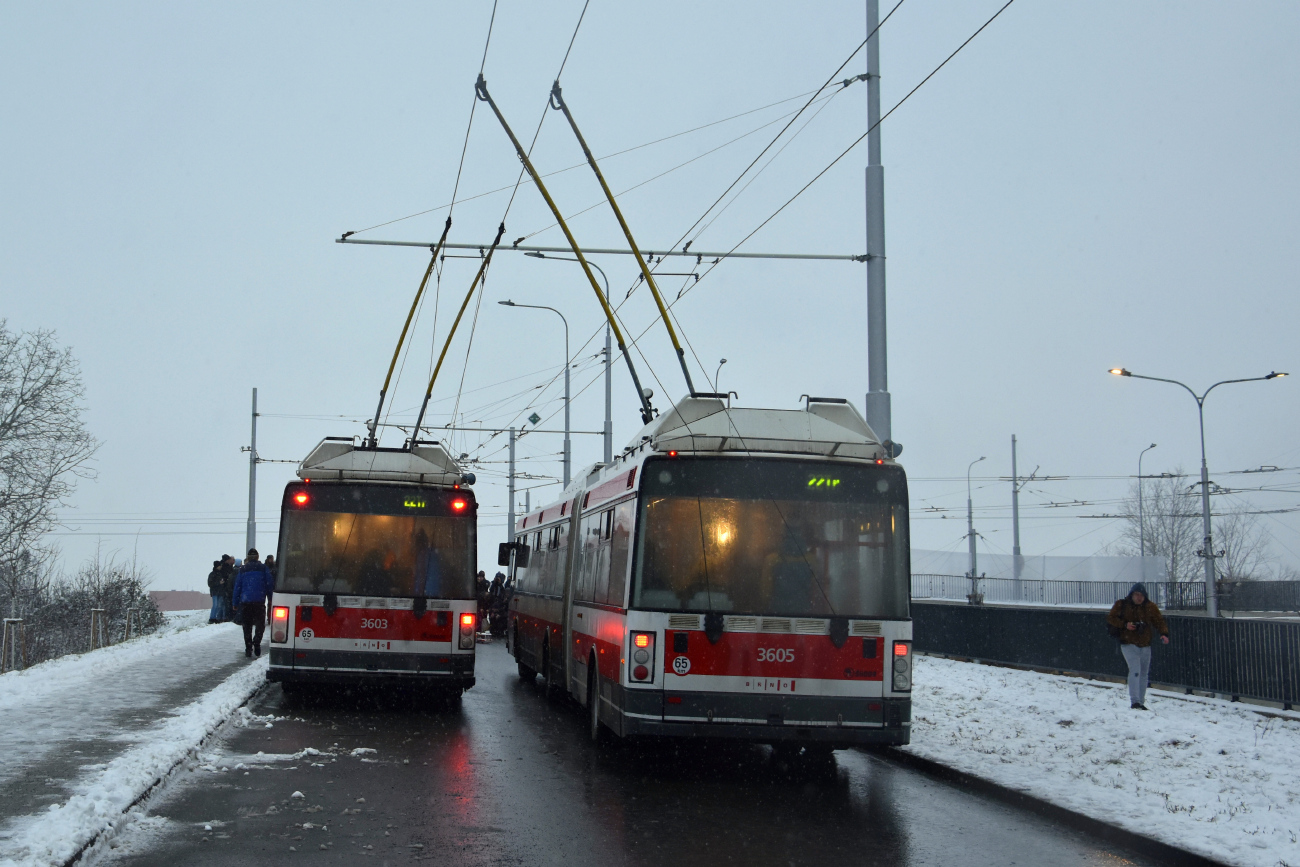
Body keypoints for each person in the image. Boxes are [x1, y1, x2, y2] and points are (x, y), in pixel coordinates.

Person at [1107, 583, 1170, 710]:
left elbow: (1159, 620)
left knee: (1144, 673)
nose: (1139, 598)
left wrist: (1163, 633)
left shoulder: (1150, 607)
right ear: (1132, 594)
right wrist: (1125, 625)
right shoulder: (1122, 605)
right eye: (1136, 594)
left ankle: (1141, 701)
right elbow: (1111, 618)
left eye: (1141, 595)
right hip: (1128, 642)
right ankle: (1135, 701)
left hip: (1145, 644)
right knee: (1135, 670)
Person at [232, 548, 276, 658]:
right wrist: (270, 597)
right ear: (257, 557)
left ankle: (248, 647)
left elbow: (237, 587)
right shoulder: (263, 568)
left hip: (246, 602)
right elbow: (269, 583)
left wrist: (235, 602)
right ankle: (257, 642)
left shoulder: (242, 570)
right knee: (260, 624)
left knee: (247, 626)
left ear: (248, 558)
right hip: (259, 601)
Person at [219, 555, 237, 621]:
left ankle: (225, 617)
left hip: (227, 588)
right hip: (226, 588)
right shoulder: (226, 568)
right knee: (225, 604)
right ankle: (226, 617)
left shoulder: (227, 567)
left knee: (225, 604)